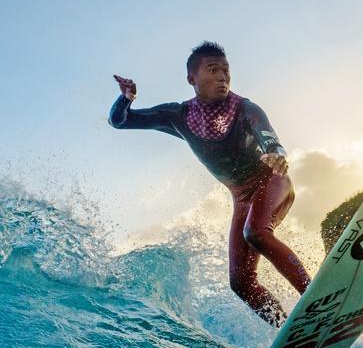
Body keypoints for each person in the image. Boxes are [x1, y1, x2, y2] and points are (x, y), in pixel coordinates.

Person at [109, 41, 311, 327]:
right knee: (240, 283)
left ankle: (314, 298)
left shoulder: (245, 108)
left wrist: (276, 154)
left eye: (226, 70)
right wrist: (126, 98)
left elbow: (269, 137)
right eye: (213, 70)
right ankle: (286, 328)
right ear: (192, 78)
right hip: (242, 199)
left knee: (256, 232)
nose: (222, 77)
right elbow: (121, 122)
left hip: (272, 181)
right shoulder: (179, 116)